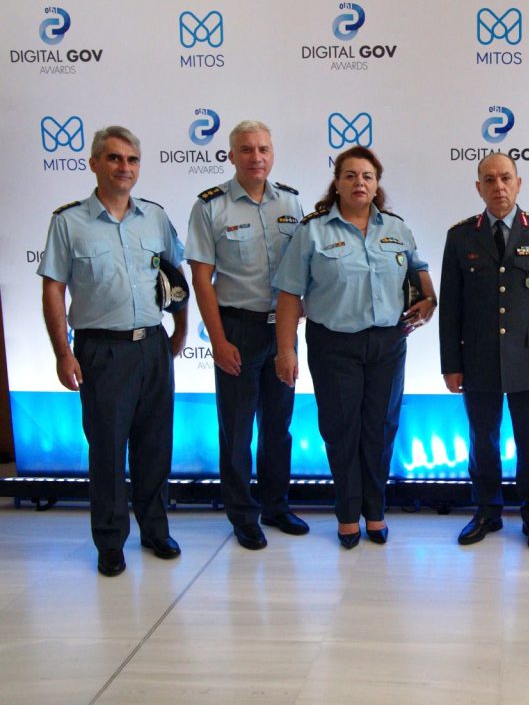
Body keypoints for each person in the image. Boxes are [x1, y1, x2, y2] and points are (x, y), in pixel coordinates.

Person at [38, 126, 188, 577]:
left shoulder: (154, 217)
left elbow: (175, 278)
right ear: (94, 163)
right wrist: (63, 353)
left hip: (152, 347)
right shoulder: (68, 222)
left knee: (155, 447)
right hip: (101, 351)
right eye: (115, 158)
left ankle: (155, 530)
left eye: (132, 160)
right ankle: (109, 541)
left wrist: (180, 331)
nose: (125, 167)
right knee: (107, 451)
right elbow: (53, 289)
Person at [272, 146, 435, 549]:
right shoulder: (313, 231)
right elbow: (289, 294)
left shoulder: (396, 227)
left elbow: (418, 269)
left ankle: (375, 511)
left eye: (367, 176)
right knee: (341, 429)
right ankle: (347, 515)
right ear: (337, 183)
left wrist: (429, 300)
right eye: (350, 175)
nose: (359, 182)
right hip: (334, 345)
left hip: (388, 343)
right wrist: (286, 350)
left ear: (377, 184)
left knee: (381, 429)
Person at [185, 120, 308, 551]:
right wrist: (218, 342)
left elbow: (304, 267)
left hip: (282, 330)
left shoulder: (291, 201)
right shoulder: (210, 207)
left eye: (263, 149)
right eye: (247, 149)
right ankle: (242, 514)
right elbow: (202, 280)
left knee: (279, 426)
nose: (256, 157)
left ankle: (276, 506)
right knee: (237, 431)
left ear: (272, 154)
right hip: (236, 328)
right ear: (231, 155)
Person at [439, 153, 529, 553]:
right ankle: (486, 511)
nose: (498, 186)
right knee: (482, 440)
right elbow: (451, 308)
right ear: (478, 187)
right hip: (478, 358)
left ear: (518, 183)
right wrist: (451, 364)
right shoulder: (461, 236)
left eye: (506, 178)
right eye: (490, 180)